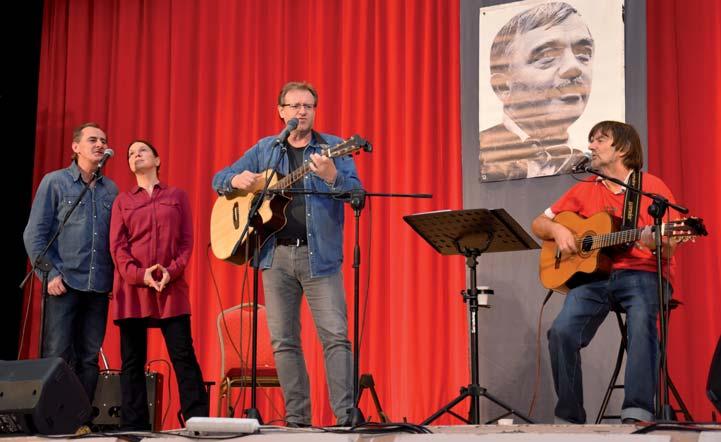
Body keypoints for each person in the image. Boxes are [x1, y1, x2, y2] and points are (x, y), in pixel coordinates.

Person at [212, 81, 360, 427]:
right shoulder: (267, 149)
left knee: (335, 337)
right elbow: (219, 178)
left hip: (319, 258)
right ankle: (297, 419)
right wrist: (237, 181)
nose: (301, 112)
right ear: (281, 111)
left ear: (314, 111)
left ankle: (345, 417)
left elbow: (356, 193)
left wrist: (333, 175)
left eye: (307, 106)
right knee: (283, 342)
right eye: (294, 106)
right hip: (273, 257)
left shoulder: (334, 147)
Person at [531, 121, 682, 423]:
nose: (591, 147)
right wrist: (558, 229)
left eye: (600, 140)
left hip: (643, 273)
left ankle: (637, 411)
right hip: (597, 278)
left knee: (641, 320)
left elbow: (670, 247)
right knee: (561, 332)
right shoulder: (586, 189)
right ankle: (570, 418)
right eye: (591, 140)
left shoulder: (652, 188)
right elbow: (538, 224)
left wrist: (656, 241)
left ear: (622, 148)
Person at [109, 140, 208, 430]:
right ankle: (133, 425)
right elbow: (118, 247)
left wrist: (171, 271)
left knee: (183, 355)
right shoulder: (122, 202)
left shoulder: (177, 196)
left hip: (170, 286)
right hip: (133, 290)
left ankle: (197, 419)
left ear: (157, 159)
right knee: (132, 361)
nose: (135, 155)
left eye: (141, 150)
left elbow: (187, 242)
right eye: (130, 154)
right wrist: (140, 275)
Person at [23, 122, 118, 403]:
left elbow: (114, 241)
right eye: (93, 140)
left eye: (104, 139)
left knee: (89, 358)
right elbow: (34, 234)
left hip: (98, 287)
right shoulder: (55, 182)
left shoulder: (111, 190)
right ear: (76, 147)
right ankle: (53, 419)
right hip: (63, 284)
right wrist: (49, 273)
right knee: (58, 356)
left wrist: (114, 278)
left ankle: (80, 420)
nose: (100, 144)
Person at [480, 2, 593, 182]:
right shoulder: (479, 153)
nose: (574, 67)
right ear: (502, 86)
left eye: (584, 53)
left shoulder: (592, 163)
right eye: (547, 55)